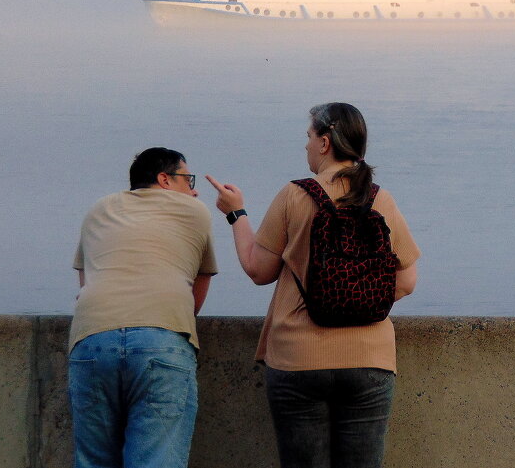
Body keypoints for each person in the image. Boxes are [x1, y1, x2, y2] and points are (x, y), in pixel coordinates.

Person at [207, 102, 420, 468]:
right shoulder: (380, 198)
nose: (305, 145)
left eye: (308, 137)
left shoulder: (295, 195)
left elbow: (259, 270)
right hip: (369, 358)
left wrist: (236, 214)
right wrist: (357, 300)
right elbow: (407, 281)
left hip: (299, 358)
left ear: (325, 143)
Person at [68, 147, 218, 468]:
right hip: (161, 339)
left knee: (93, 460)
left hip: (93, 336)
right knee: (156, 460)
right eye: (187, 179)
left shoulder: (99, 208)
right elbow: (199, 283)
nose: (193, 189)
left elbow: (86, 277)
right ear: (164, 179)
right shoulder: (193, 210)